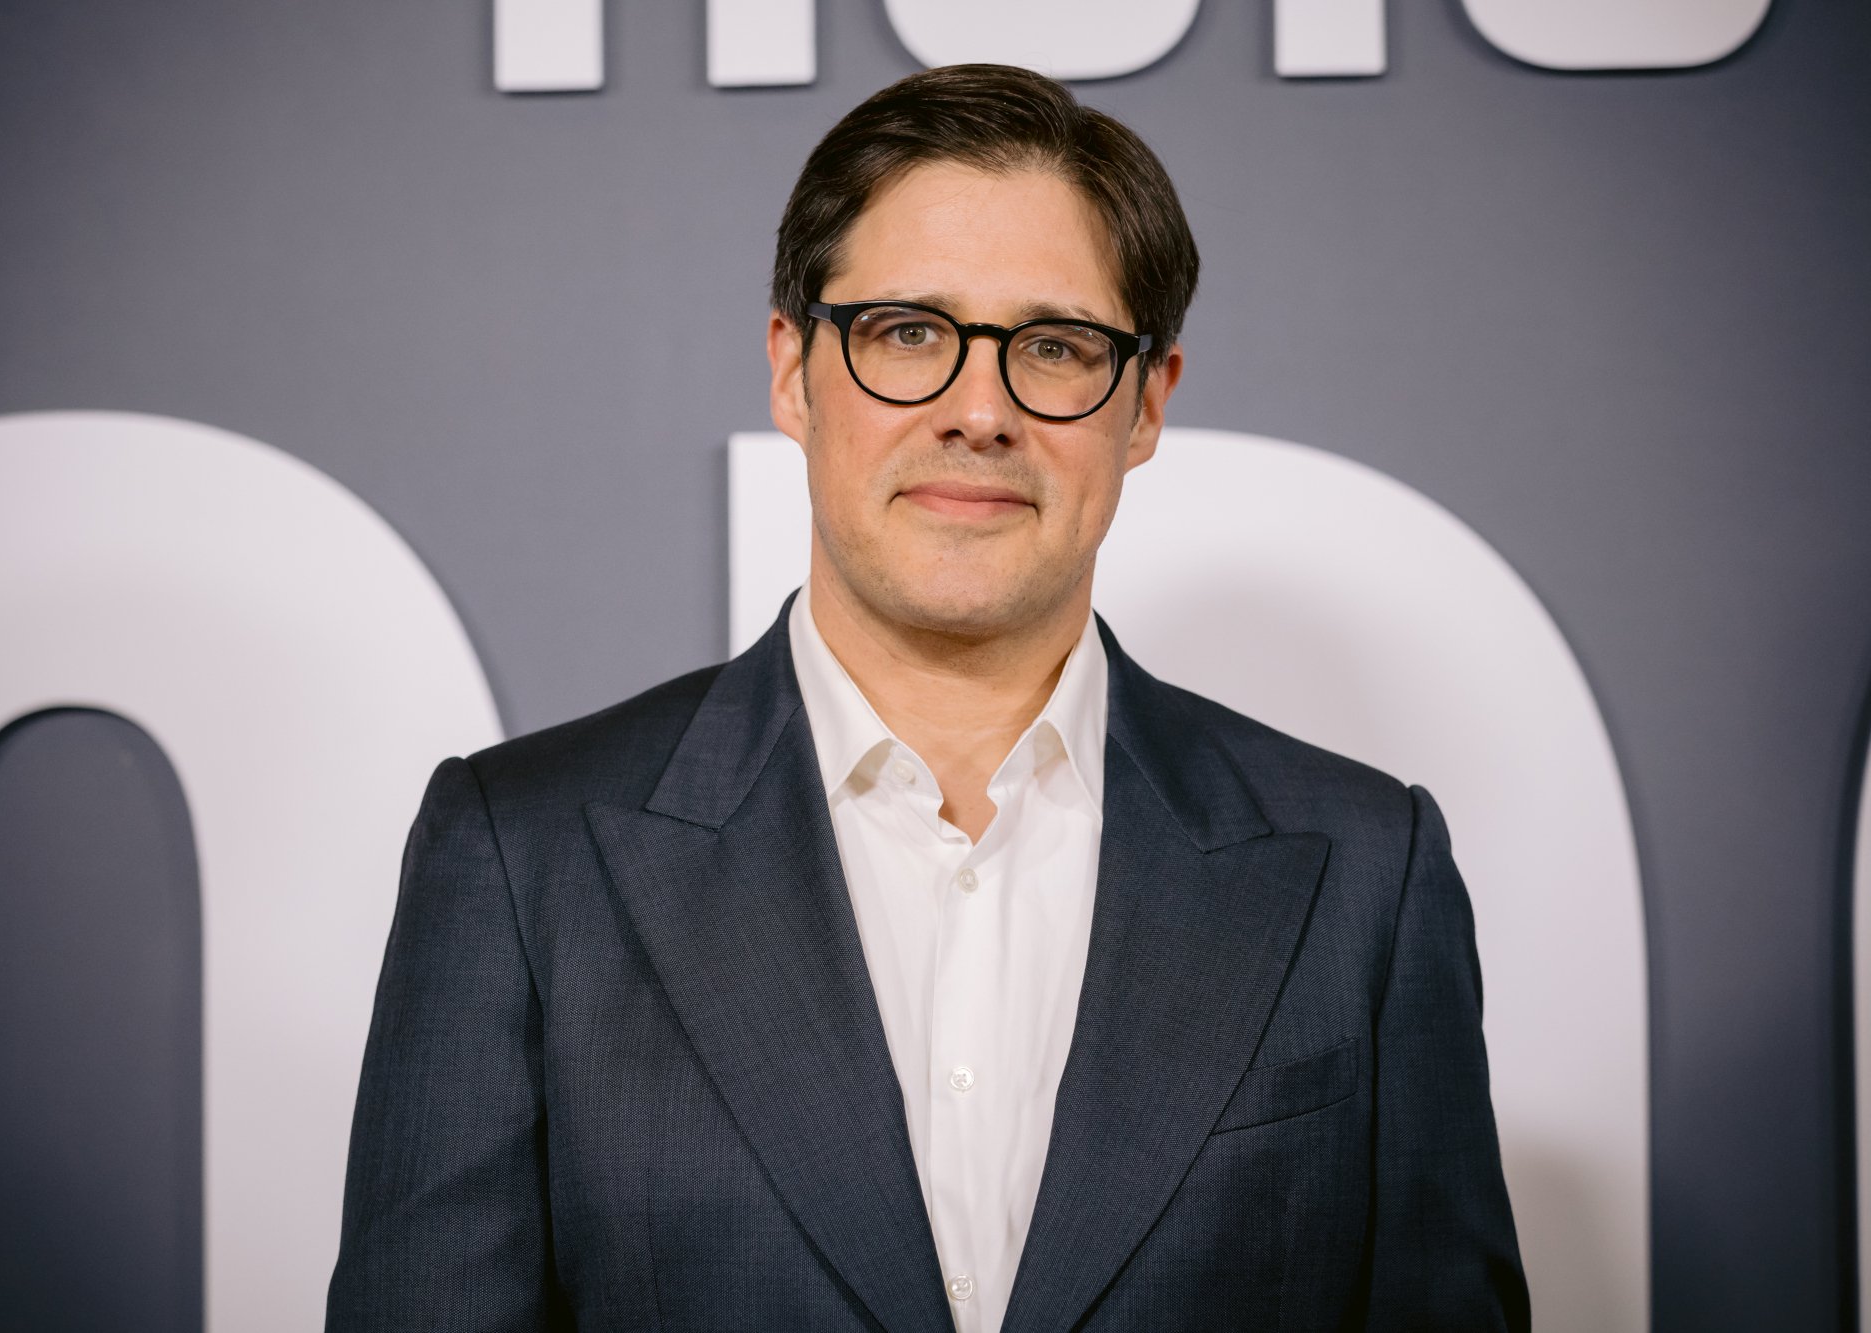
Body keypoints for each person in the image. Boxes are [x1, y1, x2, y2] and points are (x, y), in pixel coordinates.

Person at [326, 63, 1528, 1333]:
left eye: (1054, 348)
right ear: (792, 371)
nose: (978, 410)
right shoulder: (521, 858)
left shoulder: (1363, 872)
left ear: (1144, 406)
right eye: (907, 332)